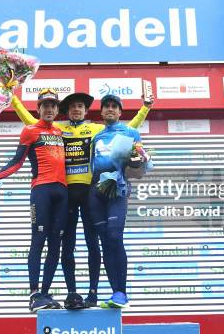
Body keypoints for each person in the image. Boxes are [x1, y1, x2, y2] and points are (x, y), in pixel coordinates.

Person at [10, 91, 152, 308]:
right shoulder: (58, 129)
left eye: (81, 107)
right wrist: (13, 98)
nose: (76, 109)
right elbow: (31, 123)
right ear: (66, 111)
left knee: (93, 243)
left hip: (90, 192)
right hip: (65, 193)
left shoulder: (97, 129)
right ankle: (72, 293)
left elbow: (128, 131)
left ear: (87, 111)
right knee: (67, 245)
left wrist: (145, 108)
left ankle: (93, 293)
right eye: (73, 107)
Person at [0, 89, 67, 312]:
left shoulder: (61, 133)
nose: (49, 109)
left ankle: (45, 292)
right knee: (39, 238)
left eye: (53, 105)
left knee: (56, 243)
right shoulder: (29, 131)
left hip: (62, 193)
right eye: (45, 105)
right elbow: (16, 163)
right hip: (41, 190)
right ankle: (34, 293)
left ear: (57, 109)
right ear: (38, 108)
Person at [90, 94, 142, 308]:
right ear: (101, 112)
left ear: (120, 112)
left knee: (114, 236)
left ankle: (122, 292)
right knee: (104, 242)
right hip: (95, 191)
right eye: (106, 106)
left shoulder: (131, 133)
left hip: (117, 189)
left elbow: (138, 171)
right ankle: (115, 295)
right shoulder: (96, 137)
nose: (110, 109)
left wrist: (137, 161)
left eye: (114, 106)